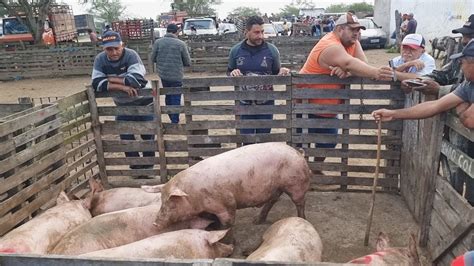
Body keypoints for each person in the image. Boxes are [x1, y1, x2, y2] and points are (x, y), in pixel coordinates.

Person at [372, 39, 474, 206]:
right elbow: (435, 105)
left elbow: (469, 119)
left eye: (462, 62)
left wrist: (460, 107)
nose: (460, 67)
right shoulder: (469, 84)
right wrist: (394, 113)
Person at [298, 12, 393, 168]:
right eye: (352, 30)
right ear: (340, 29)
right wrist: (375, 73)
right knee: (302, 144)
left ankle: (314, 169)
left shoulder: (352, 42)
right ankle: (303, 173)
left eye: (358, 30)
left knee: (329, 143)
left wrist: (348, 72)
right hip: (305, 102)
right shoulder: (330, 45)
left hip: (328, 106)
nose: (356, 33)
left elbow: (362, 63)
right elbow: (350, 63)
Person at [403, 15, 474, 204]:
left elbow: (469, 119)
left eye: (469, 35)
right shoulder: (464, 62)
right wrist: (422, 80)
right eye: (464, 35)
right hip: (457, 130)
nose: (464, 39)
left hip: (463, 128)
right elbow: (442, 77)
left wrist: (451, 97)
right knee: (456, 171)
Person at [91, 31, 154, 171]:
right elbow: (96, 83)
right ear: (103, 48)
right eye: (109, 49)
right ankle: (136, 167)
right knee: (125, 135)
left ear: (122, 45)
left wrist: (108, 79)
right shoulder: (100, 60)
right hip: (122, 104)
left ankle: (149, 166)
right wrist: (123, 87)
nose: (113, 52)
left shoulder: (131, 55)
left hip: (144, 101)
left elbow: (136, 80)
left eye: (116, 48)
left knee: (148, 134)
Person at [227, 16, 290, 141]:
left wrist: (283, 71)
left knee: (264, 141)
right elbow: (229, 71)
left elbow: (276, 71)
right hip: (244, 103)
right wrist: (232, 72)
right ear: (246, 32)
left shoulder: (272, 50)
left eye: (262, 32)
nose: (260, 36)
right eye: (256, 32)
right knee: (246, 141)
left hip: (266, 103)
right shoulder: (235, 51)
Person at [151, 23, 191, 124]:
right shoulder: (181, 44)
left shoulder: (158, 42)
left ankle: (171, 116)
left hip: (163, 74)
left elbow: (152, 58)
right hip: (177, 75)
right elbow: (187, 62)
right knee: (176, 97)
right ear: (176, 31)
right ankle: (174, 120)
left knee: (168, 96)